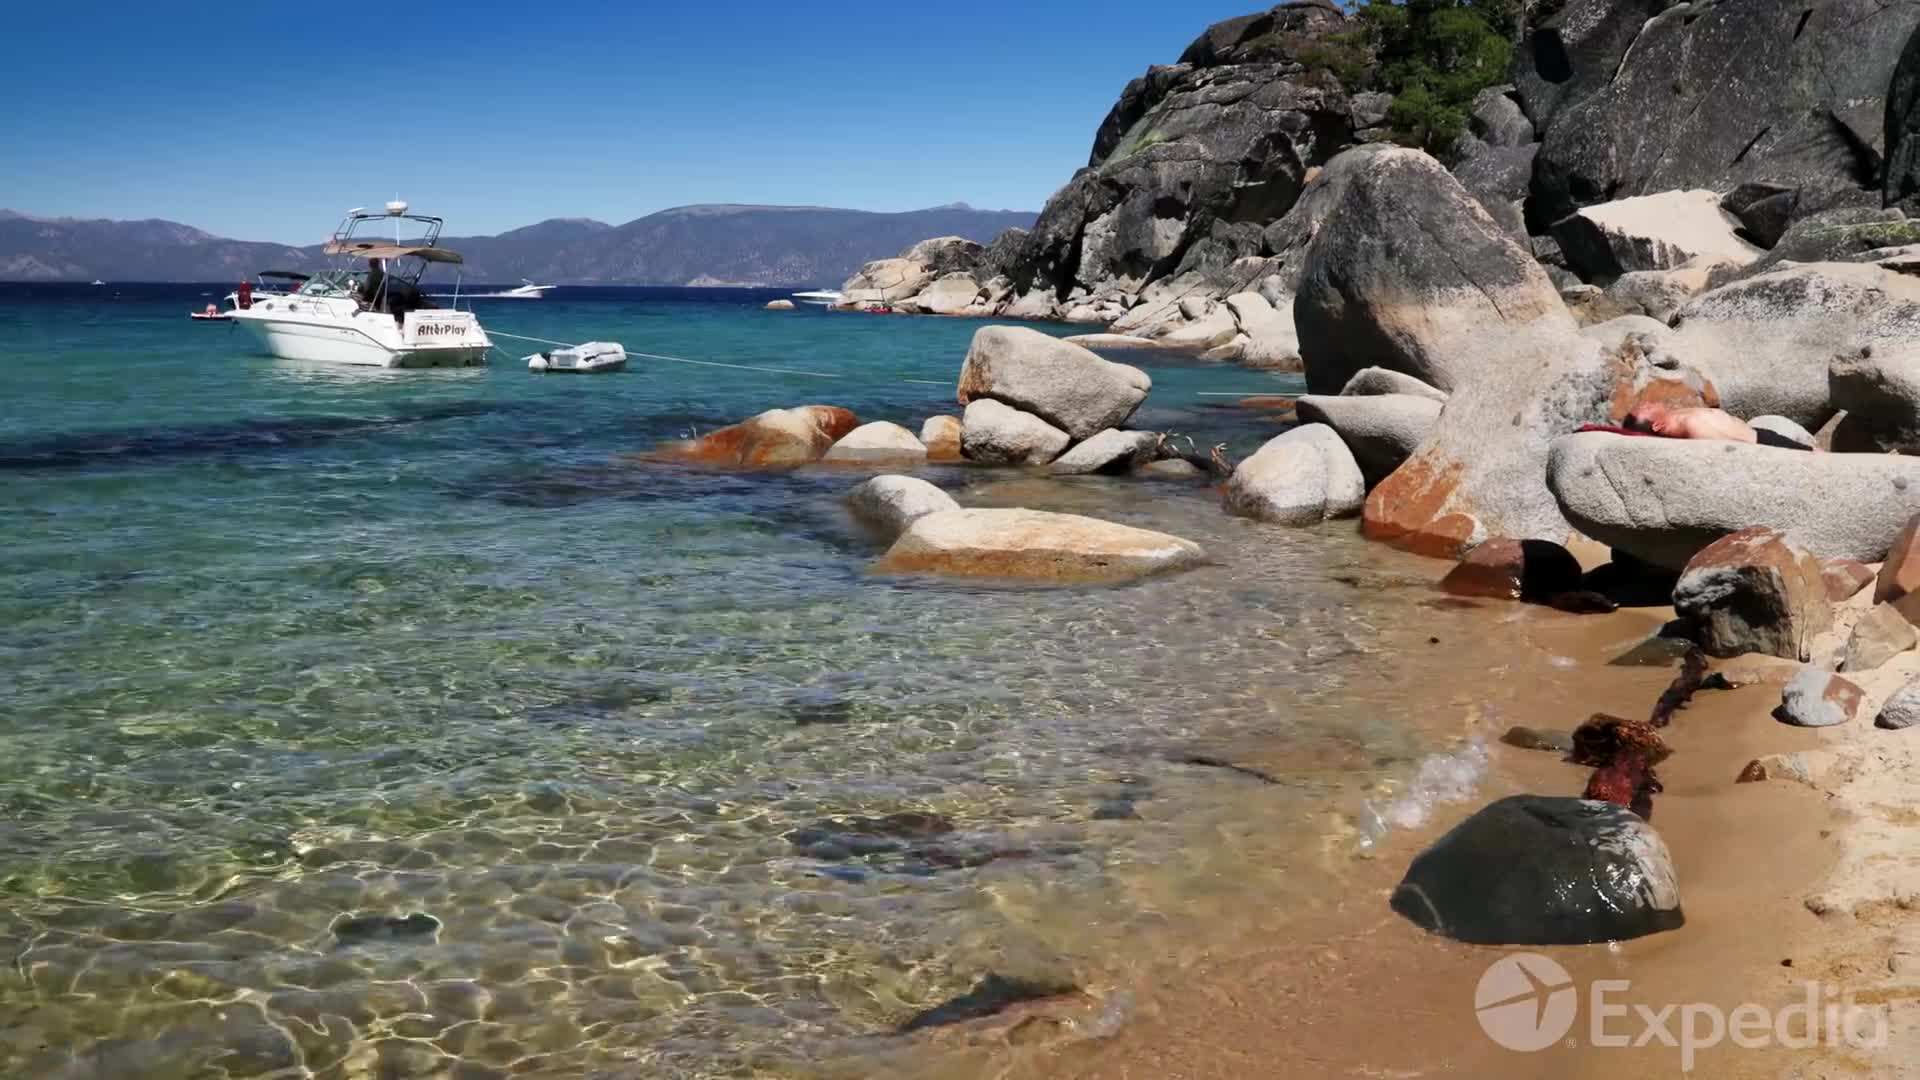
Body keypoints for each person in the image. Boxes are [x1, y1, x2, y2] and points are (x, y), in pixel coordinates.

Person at [1623, 400, 1813, 451]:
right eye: (1643, 409)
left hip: (1761, 434)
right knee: (1818, 458)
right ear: (1656, 426)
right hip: (1763, 445)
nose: (1645, 403)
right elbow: (1731, 449)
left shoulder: (1677, 417)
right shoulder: (1690, 425)